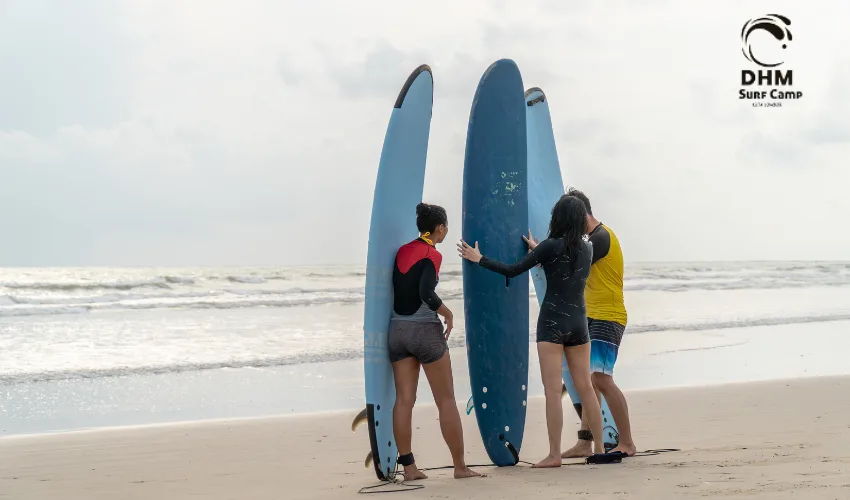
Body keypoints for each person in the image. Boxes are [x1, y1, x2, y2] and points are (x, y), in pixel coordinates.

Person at [457, 194, 605, 468]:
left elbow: (512, 271)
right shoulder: (587, 249)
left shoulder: (550, 247)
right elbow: (563, 263)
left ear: (558, 217)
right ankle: (599, 449)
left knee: (552, 392)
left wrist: (480, 259)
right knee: (586, 387)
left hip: (552, 324)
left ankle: (554, 455)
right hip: (578, 324)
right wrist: (540, 251)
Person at [389, 202, 481, 481]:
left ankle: (409, 469)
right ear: (439, 228)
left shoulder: (403, 250)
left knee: (404, 400)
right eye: (446, 228)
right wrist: (448, 313)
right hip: (425, 332)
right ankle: (460, 467)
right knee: (446, 400)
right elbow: (425, 292)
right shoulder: (431, 254)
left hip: (397, 331)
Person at [561, 188, 636, 458]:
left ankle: (627, 442)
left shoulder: (601, 237)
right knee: (589, 381)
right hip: (592, 315)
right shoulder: (590, 238)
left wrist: (546, 252)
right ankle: (585, 441)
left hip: (609, 314)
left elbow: (574, 266)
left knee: (601, 379)